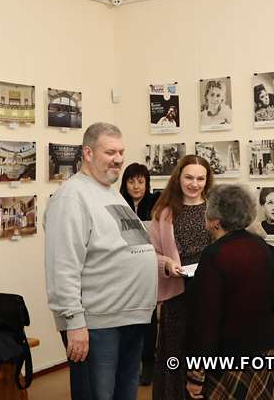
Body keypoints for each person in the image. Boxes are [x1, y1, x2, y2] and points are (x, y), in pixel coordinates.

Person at [44, 123, 157, 400]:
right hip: (97, 324)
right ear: (88, 153)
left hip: (129, 318)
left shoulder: (110, 191)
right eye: (110, 152)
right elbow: (63, 265)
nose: (118, 159)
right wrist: (74, 322)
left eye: (121, 152)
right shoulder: (71, 197)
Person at [185, 185, 274, 399]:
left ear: (215, 220)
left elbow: (206, 320)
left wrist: (195, 376)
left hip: (228, 358)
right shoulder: (262, 247)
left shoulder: (214, 254)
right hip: (263, 352)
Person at [149, 155, 213, 400]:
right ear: (178, 178)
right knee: (174, 356)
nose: (194, 183)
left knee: (204, 356)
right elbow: (151, 253)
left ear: (207, 181)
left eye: (200, 178)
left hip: (208, 293)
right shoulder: (163, 212)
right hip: (176, 294)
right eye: (189, 177)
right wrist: (167, 264)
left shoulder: (214, 208)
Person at [119, 163, 160, 385]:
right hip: (124, 268)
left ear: (147, 183)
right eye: (131, 181)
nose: (136, 186)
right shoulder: (117, 203)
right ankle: (130, 363)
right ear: (125, 183)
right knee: (127, 316)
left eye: (140, 181)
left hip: (149, 266)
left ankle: (149, 362)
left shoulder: (155, 203)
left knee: (149, 316)